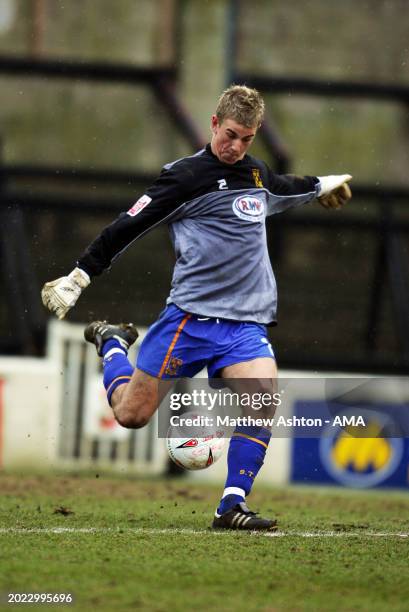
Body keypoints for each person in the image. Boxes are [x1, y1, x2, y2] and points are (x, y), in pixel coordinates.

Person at [41, 85, 352, 531]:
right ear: (213, 123)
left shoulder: (256, 174)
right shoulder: (184, 177)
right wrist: (79, 276)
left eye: (247, 138)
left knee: (263, 403)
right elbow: (130, 225)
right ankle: (112, 344)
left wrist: (322, 185)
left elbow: (284, 189)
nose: (236, 146)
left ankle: (230, 506)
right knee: (131, 415)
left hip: (245, 323)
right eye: (230, 135)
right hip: (189, 320)